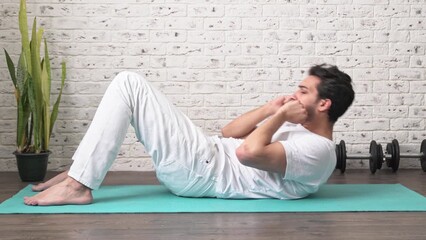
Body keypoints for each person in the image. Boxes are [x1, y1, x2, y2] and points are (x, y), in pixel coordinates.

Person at [24, 64, 354, 206]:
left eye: (302, 90)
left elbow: (247, 153)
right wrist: (271, 109)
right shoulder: (297, 128)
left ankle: (79, 185)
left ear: (324, 104)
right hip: (205, 154)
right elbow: (231, 133)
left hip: (204, 171)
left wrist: (282, 115)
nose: (294, 94)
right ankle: (81, 170)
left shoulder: (319, 151)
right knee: (131, 92)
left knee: (129, 83)